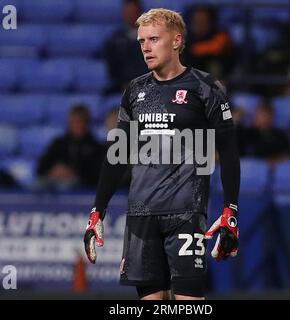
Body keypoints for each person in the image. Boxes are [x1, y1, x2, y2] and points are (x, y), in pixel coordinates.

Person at [84, 8, 240, 300]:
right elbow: (117, 155)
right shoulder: (135, 90)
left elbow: (229, 153)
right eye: (142, 41)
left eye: (154, 39)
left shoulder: (205, 87)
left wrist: (230, 210)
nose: (145, 47)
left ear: (177, 41)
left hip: (186, 214)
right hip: (141, 216)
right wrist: (97, 211)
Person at [35, 104, 104, 192]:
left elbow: (96, 175)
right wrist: (53, 170)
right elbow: (41, 166)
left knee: (65, 186)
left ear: (86, 123)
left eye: (79, 121)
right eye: (73, 122)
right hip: (55, 180)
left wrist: (73, 173)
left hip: (80, 184)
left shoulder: (95, 146)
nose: (76, 125)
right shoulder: (59, 143)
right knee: (39, 184)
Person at [103, 0, 148, 93]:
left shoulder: (151, 37)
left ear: (140, 13)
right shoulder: (115, 39)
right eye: (127, 12)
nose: (129, 15)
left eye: (132, 12)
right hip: (122, 86)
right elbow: (113, 68)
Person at [182, 5, 234, 81]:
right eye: (196, 21)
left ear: (211, 22)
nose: (199, 25)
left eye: (203, 21)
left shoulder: (221, 35)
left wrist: (199, 49)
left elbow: (218, 47)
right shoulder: (186, 39)